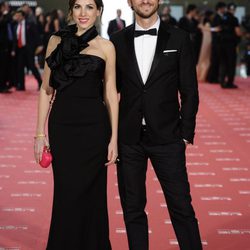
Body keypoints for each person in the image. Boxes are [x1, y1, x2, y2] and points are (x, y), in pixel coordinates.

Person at [110, 0, 202, 250]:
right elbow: (110, 91)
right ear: (129, 1)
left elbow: (190, 90)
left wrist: (185, 134)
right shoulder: (117, 40)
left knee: (181, 207)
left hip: (168, 137)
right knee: (132, 209)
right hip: (129, 139)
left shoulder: (179, 38)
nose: (146, 0)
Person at [34, 0, 118, 249]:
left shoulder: (106, 47)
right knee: (66, 193)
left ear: (99, 11)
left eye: (90, 7)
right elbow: (46, 90)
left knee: (93, 196)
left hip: (94, 129)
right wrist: (39, 133)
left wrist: (114, 137)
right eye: (78, 7)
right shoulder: (56, 41)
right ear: (71, 11)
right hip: (63, 127)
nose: (84, 13)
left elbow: (110, 93)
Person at [13, 9, 43, 91]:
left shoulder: (30, 24)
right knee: (20, 68)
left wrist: (39, 45)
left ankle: (40, 83)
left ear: (23, 16)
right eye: (16, 16)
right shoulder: (16, 26)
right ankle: (21, 85)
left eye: (19, 16)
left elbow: (36, 35)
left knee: (32, 67)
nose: (17, 17)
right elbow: (15, 40)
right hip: (20, 50)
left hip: (29, 49)